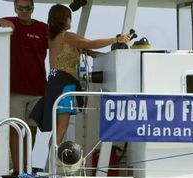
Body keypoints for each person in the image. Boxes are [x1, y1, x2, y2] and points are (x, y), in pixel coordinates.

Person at [30, 4, 131, 144]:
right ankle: (54, 160)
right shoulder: (67, 36)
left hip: (54, 83)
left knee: (59, 129)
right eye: (69, 17)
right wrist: (116, 39)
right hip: (64, 84)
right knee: (62, 128)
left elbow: (89, 51)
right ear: (65, 19)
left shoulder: (54, 37)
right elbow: (90, 44)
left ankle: (53, 160)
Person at [0, 0, 48, 176]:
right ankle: (17, 169)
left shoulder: (42, 28)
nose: (24, 12)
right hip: (14, 89)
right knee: (15, 129)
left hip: (38, 89)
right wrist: (1, 22)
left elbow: (58, 44)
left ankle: (26, 166)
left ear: (33, 9)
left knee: (31, 130)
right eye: (20, 8)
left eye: (27, 8)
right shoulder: (11, 23)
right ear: (15, 9)